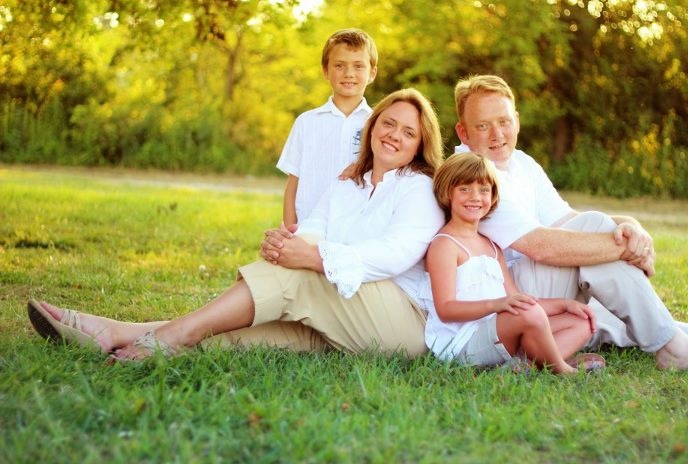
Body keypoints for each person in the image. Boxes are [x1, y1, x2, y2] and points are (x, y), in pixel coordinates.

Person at [27, 88, 445, 360]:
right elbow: (313, 226)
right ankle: (117, 332)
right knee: (247, 335)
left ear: (419, 144)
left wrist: (311, 257)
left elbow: (395, 254)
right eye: (388, 123)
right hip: (343, 321)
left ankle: (171, 337)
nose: (394, 134)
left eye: (407, 132)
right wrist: (288, 244)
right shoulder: (347, 182)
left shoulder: (418, 188)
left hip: (400, 328)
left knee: (297, 276)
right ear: (372, 127)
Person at [452, 74, 688, 373]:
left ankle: (685, 346)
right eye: (482, 125)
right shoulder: (470, 176)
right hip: (504, 301)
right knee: (596, 229)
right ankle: (674, 351)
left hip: (540, 289)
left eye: (503, 121)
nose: (496, 134)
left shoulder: (521, 163)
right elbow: (542, 247)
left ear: (516, 120)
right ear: (463, 132)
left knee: (631, 318)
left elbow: (567, 221)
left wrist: (632, 227)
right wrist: (622, 247)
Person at [420, 152, 603, 374]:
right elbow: (446, 310)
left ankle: (524, 366)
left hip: (503, 331)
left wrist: (565, 304)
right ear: (447, 193)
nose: (475, 197)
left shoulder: (492, 246)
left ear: (493, 195)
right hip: (465, 342)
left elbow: (519, 300)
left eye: (483, 190)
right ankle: (562, 369)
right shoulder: (445, 245)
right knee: (529, 314)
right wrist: (496, 305)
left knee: (581, 321)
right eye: (464, 189)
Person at [278, 28, 377, 227]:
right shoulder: (306, 122)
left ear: (372, 73)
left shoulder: (378, 123)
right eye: (339, 65)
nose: (349, 73)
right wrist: (289, 230)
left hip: (356, 228)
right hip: (307, 227)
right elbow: (293, 184)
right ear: (326, 71)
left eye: (358, 66)